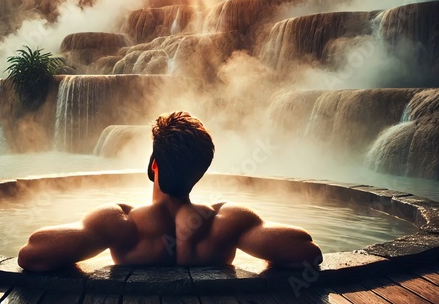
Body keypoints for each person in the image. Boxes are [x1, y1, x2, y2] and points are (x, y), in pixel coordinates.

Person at [18, 111, 322, 272]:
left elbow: (32, 254)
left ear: (153, 165)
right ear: (200, 173)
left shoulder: (120, 223)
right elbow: (306, 251)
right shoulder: (225, 222)